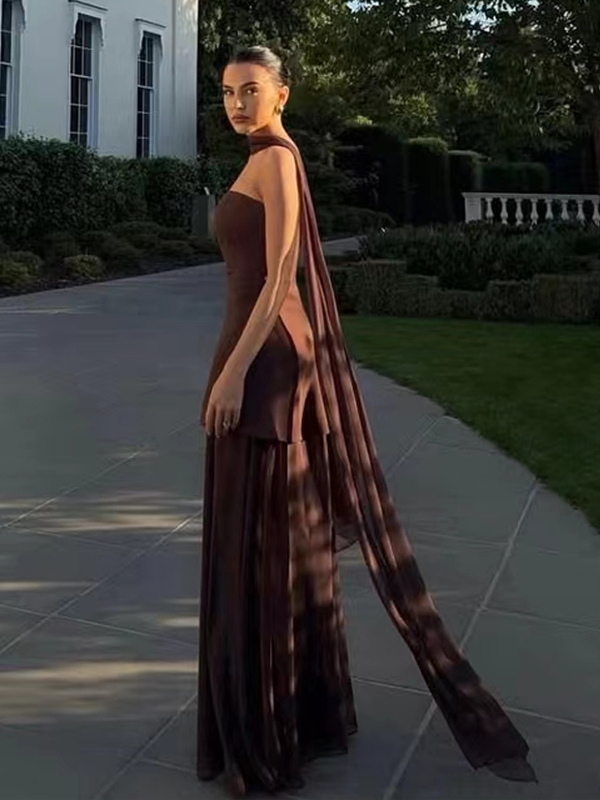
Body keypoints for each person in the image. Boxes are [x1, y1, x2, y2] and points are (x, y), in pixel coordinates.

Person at [197, 44, 538, 798]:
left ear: (282, 94)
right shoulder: (261, 158)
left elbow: (280, 278)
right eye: (227, 91)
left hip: (265, 363)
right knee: (269, 540)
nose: (237, 103)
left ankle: (269, 733)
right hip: (251, 354)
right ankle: (295, 716)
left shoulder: (277, 160)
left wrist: (233, 373)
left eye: (251, 90)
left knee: (264, 544)